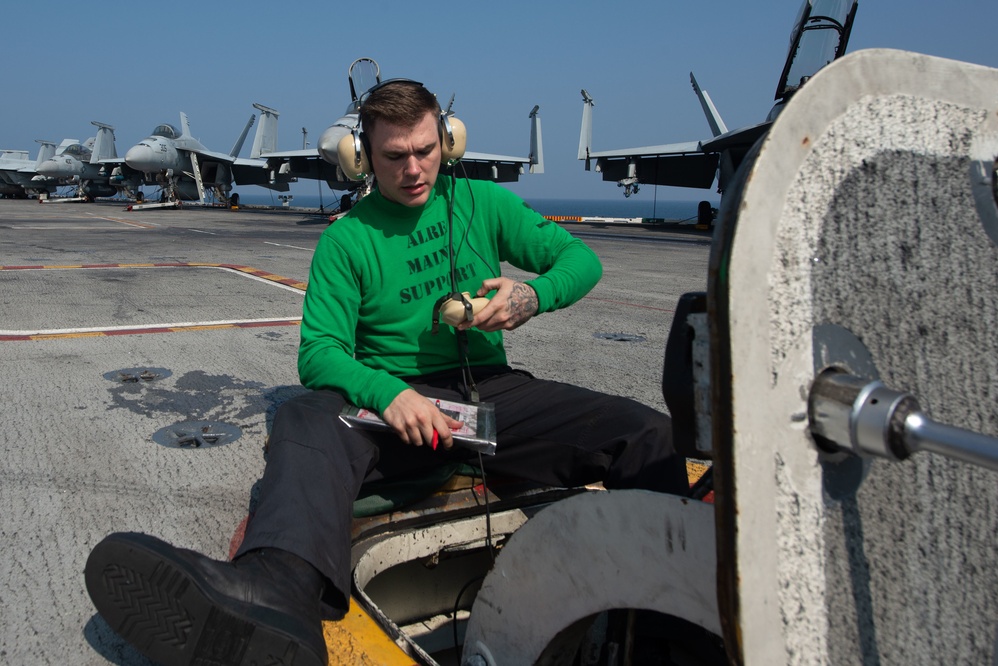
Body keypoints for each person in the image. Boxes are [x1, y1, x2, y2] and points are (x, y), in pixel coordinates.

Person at [84, 80, 690, 666]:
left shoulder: (484, 203)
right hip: (390, 410)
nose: (413, 169)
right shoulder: (347, 240)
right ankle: (278, 599)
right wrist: (390, 393)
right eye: (394, 156)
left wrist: (530, 298)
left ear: (447, 143)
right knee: (306, 414)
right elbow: (319, 352)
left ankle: (672, 627)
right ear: (362, 160)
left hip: (490, 393)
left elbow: (580, 261)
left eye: (426, 151)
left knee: (651, 436)